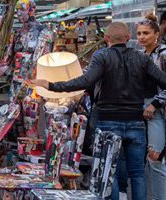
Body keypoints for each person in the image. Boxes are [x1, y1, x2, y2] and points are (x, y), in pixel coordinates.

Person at [33, 22, 166, 200]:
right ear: (128, 38)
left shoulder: (101, 56)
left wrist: (51, 85)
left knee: (109, 173)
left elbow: (84, 82)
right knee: (137, 174)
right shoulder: (141, 58)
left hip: (108, 121)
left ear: (106, 39)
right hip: (136, 121)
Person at [137, 14, 166, 200]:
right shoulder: (140, 55)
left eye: (146, 33)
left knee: (156, 159)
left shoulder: (163, 54)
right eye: (139, 33)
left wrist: (155, 104)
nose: (142, 37)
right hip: (141, 108)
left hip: (157, 110)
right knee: (145, 160)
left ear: (156, 33)